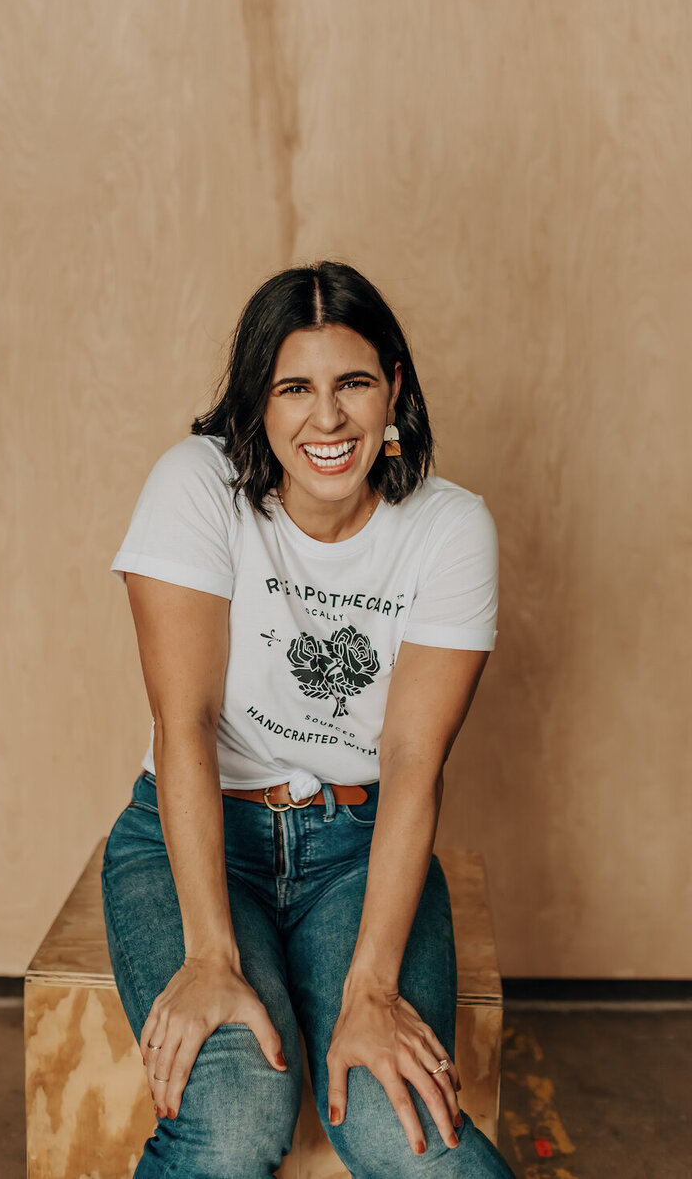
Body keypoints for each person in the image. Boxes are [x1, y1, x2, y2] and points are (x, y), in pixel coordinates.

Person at [102, 260, 516, 1178]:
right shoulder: (196, 485)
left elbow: (414, 758)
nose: (327, 420)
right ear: (259, 398)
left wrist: (372, 986)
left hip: (359, 850)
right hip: (206, 839)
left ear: (394, 388)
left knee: (401, 1129)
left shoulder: (450, 529)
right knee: (234, 1112)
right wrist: (210, 951)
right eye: (295, 387)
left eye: (353, 383)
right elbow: (186, 723)